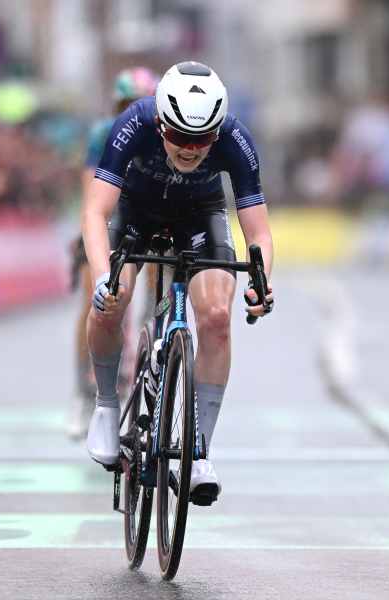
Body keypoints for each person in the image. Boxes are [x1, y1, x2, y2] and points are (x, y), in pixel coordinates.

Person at [82, 61, 274, 506]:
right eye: (181, 139)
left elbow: (258, 232)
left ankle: (200, 451)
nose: (190, 151)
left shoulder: (236, 138)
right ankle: (108, 404)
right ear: (161, 122)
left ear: (217, 129)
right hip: (135, 210)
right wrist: (100, 277)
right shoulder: (133, 123)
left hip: (199, 215)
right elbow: (95, 212)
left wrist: (262, 281)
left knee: (216, 318)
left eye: (202, 140)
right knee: (114, 299)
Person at [68, 66, 159, 440]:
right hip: (113, 217)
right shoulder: (104, 134)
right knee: (96, 294)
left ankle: (153, 351)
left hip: (150, 215)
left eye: (141, 103)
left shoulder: (163, 135)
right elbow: (92, 192)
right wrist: (87, 236)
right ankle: (81, 392)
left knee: (158, 280)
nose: (132, 111)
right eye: (126, 104)